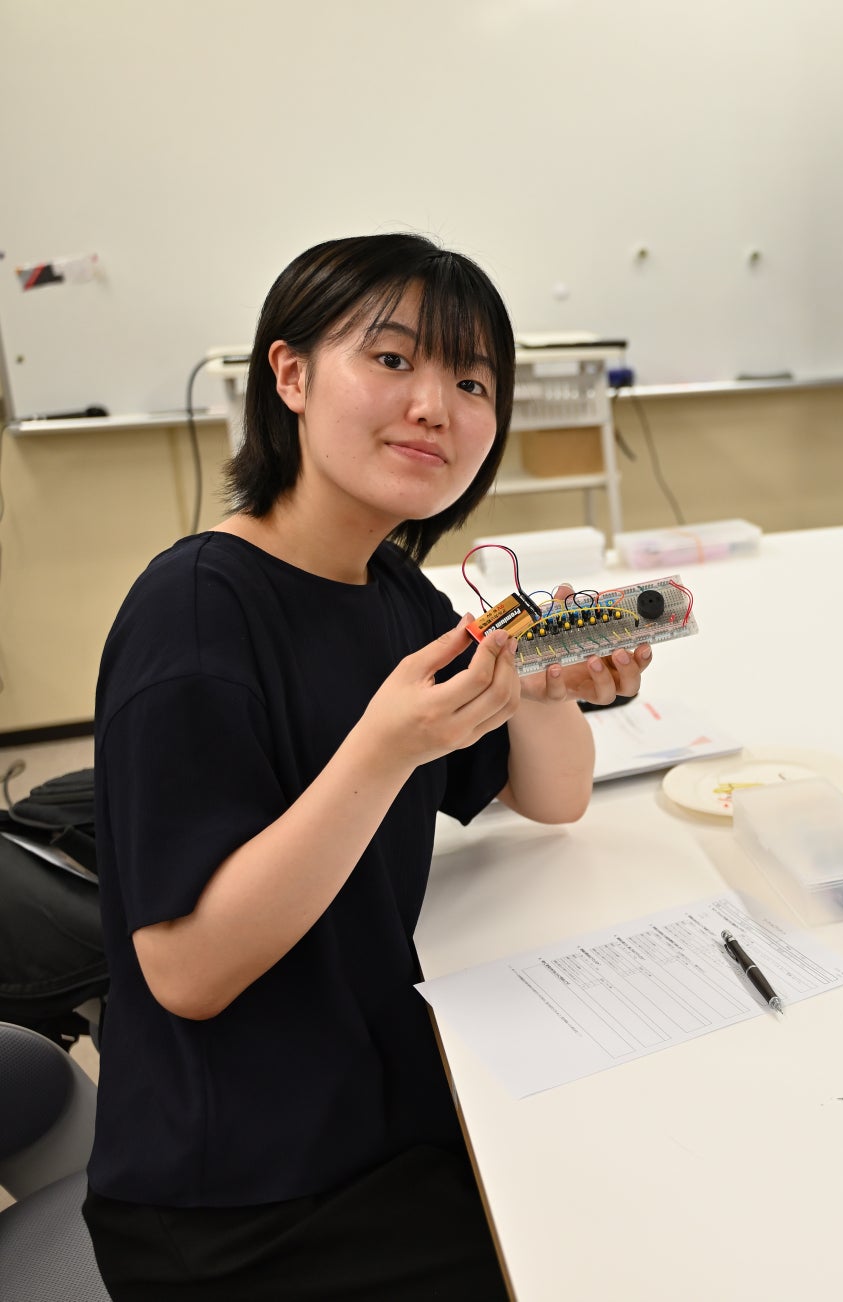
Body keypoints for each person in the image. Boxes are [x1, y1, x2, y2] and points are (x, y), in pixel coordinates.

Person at [84, 234, 653, 1301]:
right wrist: (386, 751)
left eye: (473, 382)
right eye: (392, 360)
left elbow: (553, 798)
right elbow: (189, 975)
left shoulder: (391, 592)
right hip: (246, 1201)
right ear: (290, 375)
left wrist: (537, 685)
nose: (436, 406)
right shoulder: (194, 613)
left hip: (381, 1104)